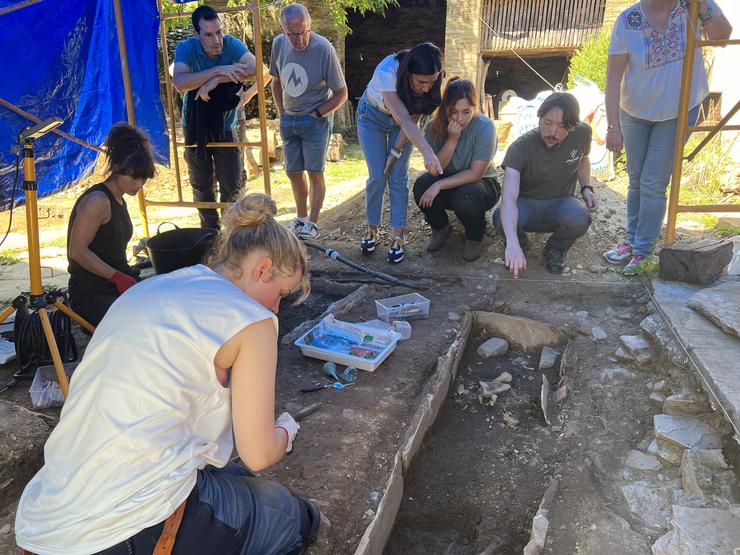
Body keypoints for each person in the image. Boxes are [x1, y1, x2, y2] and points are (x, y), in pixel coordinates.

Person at [17, 194, 320, 554]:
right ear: (262, 269)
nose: (275, 307)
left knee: (231, 479)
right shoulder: (253, 320)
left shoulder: (153, 287)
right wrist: (285, 431)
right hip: (125, 525)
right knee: (298, 518)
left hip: (47, 518)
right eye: (280, 294)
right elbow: (258, 454)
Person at [603, 0, 731, 275]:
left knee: (653, 182)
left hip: (677, 110)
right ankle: (631, 239)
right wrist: (613, 126)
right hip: (634, 111)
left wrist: (704, 8)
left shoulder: (693, 7)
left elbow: (723, 38)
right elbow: (613, 77)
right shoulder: (628, 20)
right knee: (636, 177)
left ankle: (642, 251)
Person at [173, 5, 269, 230]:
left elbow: (259, 71)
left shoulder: (231, 44)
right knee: (201, 186)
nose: (216, 40)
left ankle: (233, 238)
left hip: (226, 124)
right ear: (196, 35)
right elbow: (180, 82)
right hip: (195, 125)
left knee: (232, 185)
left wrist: (217, 83)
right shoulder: (186, 48)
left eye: (219, 32)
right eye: (208, 34)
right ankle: (210, 237)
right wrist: (219, 71)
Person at [357, 42, 445, 263]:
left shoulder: (433, 82)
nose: (426, 88)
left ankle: (398, 236)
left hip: (403, 126)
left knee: (397, 177)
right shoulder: (387, 71)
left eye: (431, 82)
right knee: (377, 175)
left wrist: (394, 153)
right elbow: (402, 117)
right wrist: (427, 152)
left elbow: (412, 119)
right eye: (421, 82)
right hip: (371, 118)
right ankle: (372, 230)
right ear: (408, 73)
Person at [494, 92, 598, 276]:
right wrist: (511, 242)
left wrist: (586, 187)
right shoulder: (520, 147)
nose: (552, 132)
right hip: (526, 205)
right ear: (539, 118)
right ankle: (520, 244)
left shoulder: (583, 133)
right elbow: (509, 197)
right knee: (500, 219)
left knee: (580, 218)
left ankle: (555, 249)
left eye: (561, 126)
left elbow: (584, 158)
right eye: (547, 122)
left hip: (560, 203)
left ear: (573, 127)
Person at [270, 3, 348, 240]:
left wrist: (317, 114)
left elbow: (341, 93)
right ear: (283, 29)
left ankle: (313, 223)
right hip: (289, 119)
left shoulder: (323, 48)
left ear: (309, 25)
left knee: (315, 172)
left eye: (304, 31)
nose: (300, 39)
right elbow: (275, 81)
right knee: (293, 172)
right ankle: (301, 218)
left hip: (315, 119)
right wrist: (281, 111)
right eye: (293, 33)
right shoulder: (278, 44)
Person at [66, 123, 155, 327]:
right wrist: (116, 277)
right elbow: (77, 251)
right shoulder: (97, 201)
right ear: (116, 168)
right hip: (91, 291)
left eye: (143, 179)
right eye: (134, 177)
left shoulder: (119, 198)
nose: (139, 185)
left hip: (116, 281)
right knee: (139, 324)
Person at [413, 78, 500, 262]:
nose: (460, 119)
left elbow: (476, 173)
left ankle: (474, 235)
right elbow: (435, 171)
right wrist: (452, 140)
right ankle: (441, 227)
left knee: (466, 195)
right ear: (445, 108)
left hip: (481, 185)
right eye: (454, 112)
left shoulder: (485, 127)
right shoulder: (433, 127)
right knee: (421, 185)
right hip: (449, 181)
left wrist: (439, 186)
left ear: (475, 108)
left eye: (466, 112)